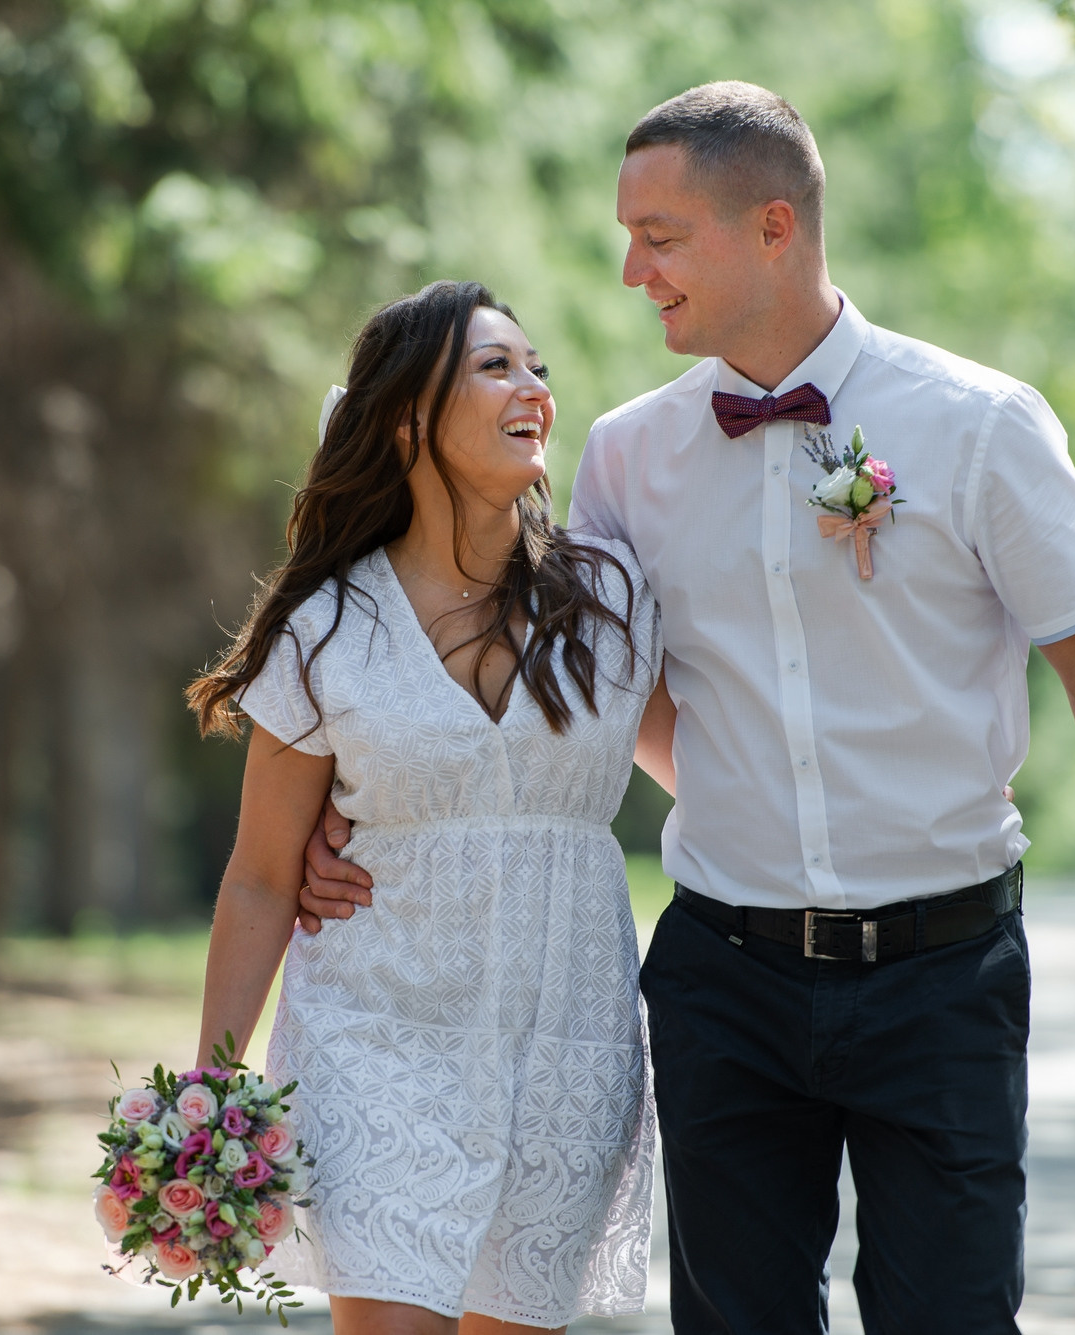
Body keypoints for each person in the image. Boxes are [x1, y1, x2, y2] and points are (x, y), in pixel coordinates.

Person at [299, 84, 1075, 1333]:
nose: (630, 272)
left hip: (943, 975)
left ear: (772, 226)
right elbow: (569, 686)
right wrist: (335, 819)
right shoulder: (624, 458)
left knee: (948, 1317)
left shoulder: (979, 424)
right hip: (724, 977)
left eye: (659, 237)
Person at [187, 280, 663, 1334]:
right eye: (496, 367)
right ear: (407, 417)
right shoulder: (327, 628)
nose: (532, 386)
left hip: (564, 1052)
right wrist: (209, 1093)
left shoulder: (614, 601)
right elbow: (263, 874)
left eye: (537, 366)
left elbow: (711, 759)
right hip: (377, 1044)